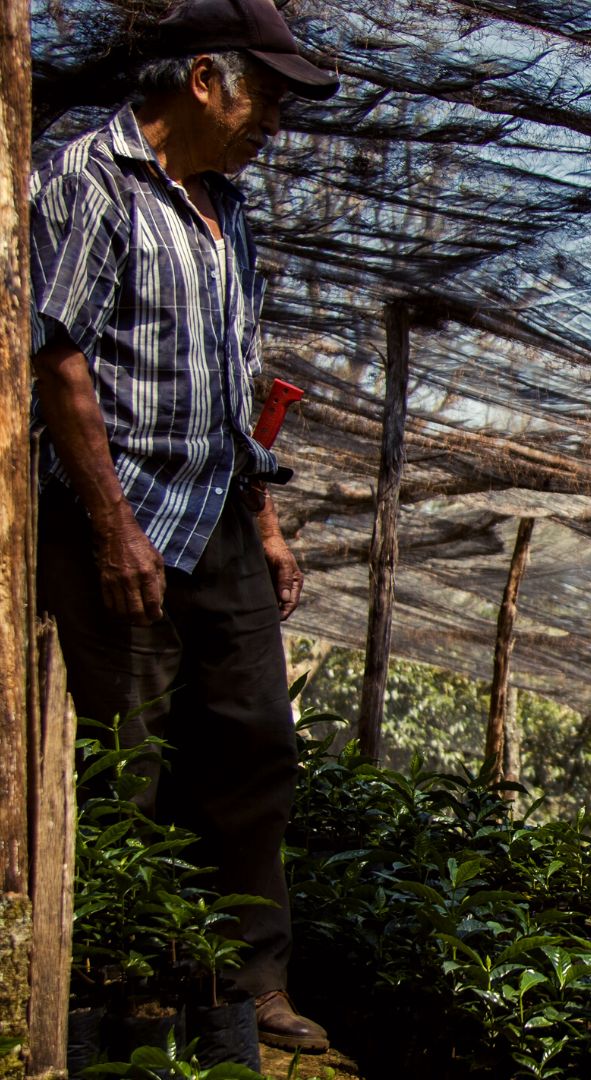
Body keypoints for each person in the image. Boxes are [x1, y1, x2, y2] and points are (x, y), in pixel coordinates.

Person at [30, 0, 338, 1052]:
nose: (276, 127)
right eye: (270, 100)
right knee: (133, 763)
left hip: (215, 514)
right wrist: (116, 531)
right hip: (118, 522)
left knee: (255, 746)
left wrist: (267, 520)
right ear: (207, 77)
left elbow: (231, 383)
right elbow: (56, 357)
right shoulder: (87, 181)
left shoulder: (228, 208)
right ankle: (130, 995)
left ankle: (249, 981)